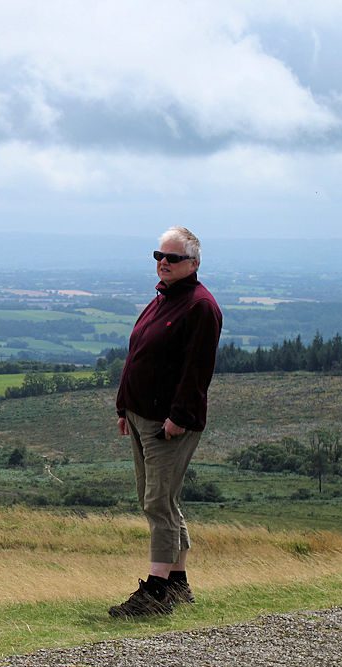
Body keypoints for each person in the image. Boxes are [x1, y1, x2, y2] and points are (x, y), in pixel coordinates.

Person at [109, 226, 223, 618]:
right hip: (142, 416)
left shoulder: (200, 307)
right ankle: (177, 584)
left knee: (158, 502)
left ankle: (156, 593)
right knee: (161, 500)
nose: (163, 263)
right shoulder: (162, 300)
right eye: (158, 256)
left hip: (167, 423)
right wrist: (124, 405)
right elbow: (138, 353)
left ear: (193, 263)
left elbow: (197, 370)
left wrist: (179, 417)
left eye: (172, 258)